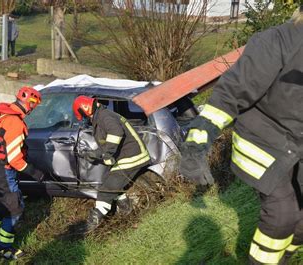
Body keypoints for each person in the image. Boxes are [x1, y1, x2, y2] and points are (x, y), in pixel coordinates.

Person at [179, 7, 303, 265]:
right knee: (282, 215)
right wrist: (198, 140)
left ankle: (283, 259)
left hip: (297, 143)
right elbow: (231, 93)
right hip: (261, 138)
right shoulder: (277, 41)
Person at [0, 86, 44, 260]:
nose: (34, 108)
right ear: (28, 103)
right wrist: (35, 173)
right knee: (15, 209)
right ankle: (3, 248)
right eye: (34, 104)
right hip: (3, 170)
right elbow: (15, 160)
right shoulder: (15, 123)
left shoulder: (3, 113)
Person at [72, 95, 151, 233]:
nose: (86, 120)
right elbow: (107, 141)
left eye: (84, 116)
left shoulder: (103, 116)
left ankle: (89, 227)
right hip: (128, 155)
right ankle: (127, 214)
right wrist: (96, 155)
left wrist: (102, 153)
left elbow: (116, 132)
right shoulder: (102, 115)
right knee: (112, 183)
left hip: (131, 156)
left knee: (106, 190)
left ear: (85, 109)